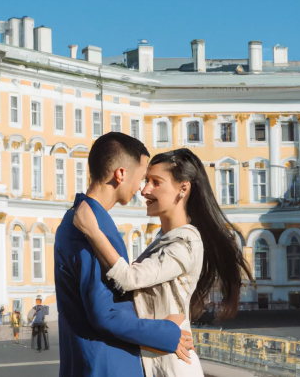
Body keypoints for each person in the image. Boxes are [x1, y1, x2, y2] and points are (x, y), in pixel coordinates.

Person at [74, 148, 254, 377]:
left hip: (173, 367)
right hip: (159, 359)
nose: (144, 189)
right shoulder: (163, 239)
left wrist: (92, 231)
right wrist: (164, 330)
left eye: (155, 182)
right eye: (146, 180)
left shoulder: (186, 243)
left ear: (183, 188)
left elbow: (130, 278)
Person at [55, 133, 194, 377]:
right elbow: (107, 314)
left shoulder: (77, 218)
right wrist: (168, 333)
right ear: (120, 174)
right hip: (108, 366)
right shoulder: (94, 227)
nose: (141, 188)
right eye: (141, 177)